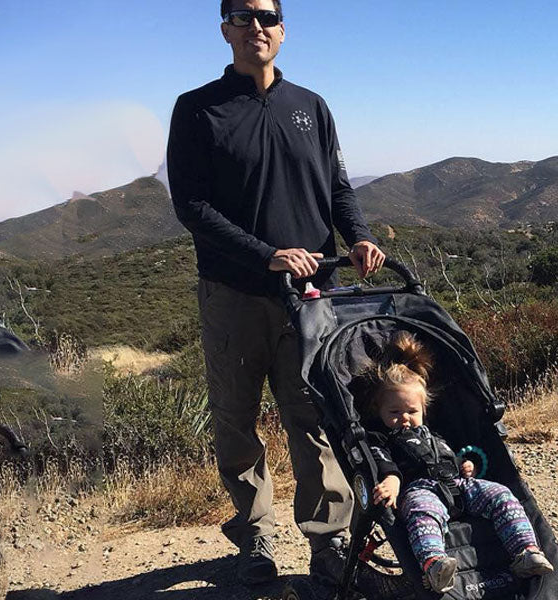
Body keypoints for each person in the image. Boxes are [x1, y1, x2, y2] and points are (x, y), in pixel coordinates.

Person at [165, 0, 387, 585]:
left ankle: (327, 541)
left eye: (265, 17)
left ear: (282, 31)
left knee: (313, 418)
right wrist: (266, 255)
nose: (255, 27)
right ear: (225, 31)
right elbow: (191, 206)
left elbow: (338, 187)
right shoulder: (196, 109)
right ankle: (254, 536)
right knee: (236, 420)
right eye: (241, 17)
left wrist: (361, 237)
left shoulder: (311, 106)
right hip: (234, 293)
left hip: (313, 297)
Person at [359, 332, 555, 593]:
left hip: (458, 484)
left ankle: (526, 551)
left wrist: (465, 464)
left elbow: (449, 454)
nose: (404, 418)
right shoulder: (381, 438)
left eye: (412, 411)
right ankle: (435, 566)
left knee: (501, 494)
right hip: (419, 489)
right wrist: (392, 479)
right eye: (394, 412)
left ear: (424, 411)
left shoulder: (434, 436)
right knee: (422, 514)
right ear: (379, 410)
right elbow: (381, 460)